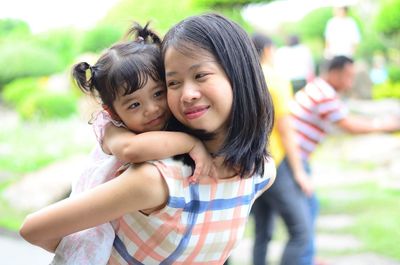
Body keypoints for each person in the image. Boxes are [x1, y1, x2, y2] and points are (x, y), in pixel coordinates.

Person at [19, 13, 276, 264]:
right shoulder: (156, 179)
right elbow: (34, 229)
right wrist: (90, 254)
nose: (187, 94)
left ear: (241, 74)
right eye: (173, 83)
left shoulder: (260, 174)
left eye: (200, 76)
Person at [51, 22, 216, 265]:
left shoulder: (166, 125)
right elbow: (132, 150)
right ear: (113, 112)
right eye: (134, 104)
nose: (152, 109)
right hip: (91, 229)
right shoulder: (113, 131)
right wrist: (191, 143)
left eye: (158, 93)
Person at [291, 55, 400, 264]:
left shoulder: (320, 89)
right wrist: (386, 125)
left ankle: (308, 256)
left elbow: (346, 119)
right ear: (334, 73)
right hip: (294, 160)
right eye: (348, 76)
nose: (350, 83)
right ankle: (305, 258)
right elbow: (348, 125)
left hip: (296, 158)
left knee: (307, 209)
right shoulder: (324, 93)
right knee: (306, 213)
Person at [250, 33, 313, 265]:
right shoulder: (274, 79)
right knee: (301, 231)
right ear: (267, 50)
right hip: (274, 164)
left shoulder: (244, 78)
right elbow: (286, 130)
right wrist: (299, 172)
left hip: (250, 166)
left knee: (262, 233)